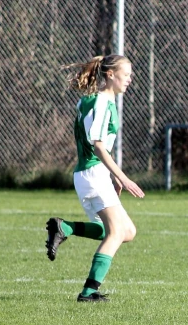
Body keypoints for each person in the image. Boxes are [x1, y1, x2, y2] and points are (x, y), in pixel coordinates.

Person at [45, 54, 145, 302]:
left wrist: (113, 176)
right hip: (92, 173)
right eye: (127, 74)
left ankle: (65, 227)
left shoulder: (88, 100)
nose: (130, 80)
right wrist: (122, 176)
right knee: (115, 232)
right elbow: (99, 146)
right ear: (110, 75)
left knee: (127, 231)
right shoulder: (101, 102)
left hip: (89, 173)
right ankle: (89, 292)